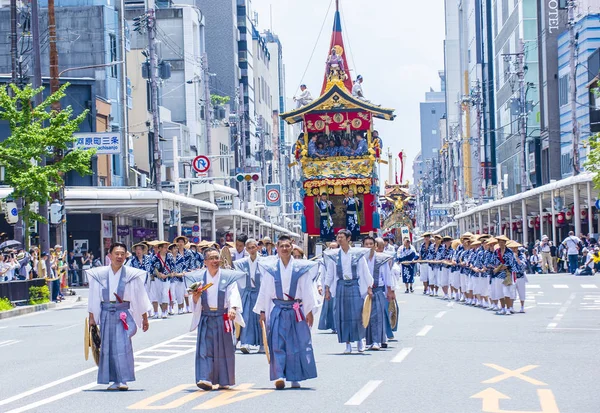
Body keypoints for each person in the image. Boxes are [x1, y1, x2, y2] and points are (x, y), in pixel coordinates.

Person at [254, 235, 319, 390]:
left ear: (292, 247)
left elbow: (307, 290)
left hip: (295, 309)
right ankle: (279, 375)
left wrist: (309, 310)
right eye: (281, 246)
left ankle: (295, 377)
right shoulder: (271, 269)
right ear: (277, 248)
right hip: (277, 309)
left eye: (287, 246)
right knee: (277, 343)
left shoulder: (300, 269)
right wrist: (262, 311)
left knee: (296, 343)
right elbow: (264, 291)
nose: (284, 249)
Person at [86, 242, 151, 391]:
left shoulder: (131, 275)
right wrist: (92, 318)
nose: (119, 256)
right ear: (109, 255)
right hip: (106, 312)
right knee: (107, 346)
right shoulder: (99, 275)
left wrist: (144, 318)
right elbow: (94, 297)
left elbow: (140, 297)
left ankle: (123, 379)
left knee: (123, 346)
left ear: (126, 255)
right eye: (116, 253)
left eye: (122, 254)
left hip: (122, 313)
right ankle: (114, 379)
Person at [186, 247, 244, 391]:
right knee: (205, 349)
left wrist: (232, 308)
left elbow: (233, 294)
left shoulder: (228, 277)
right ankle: (205, 378)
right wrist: (195, 297)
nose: (214, 261)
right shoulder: (198, 278)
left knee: (224, 349)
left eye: (216, 258)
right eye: (211, 258)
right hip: (206, 316)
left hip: (222, 316)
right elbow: (193, 300)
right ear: (205, 261)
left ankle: (224, 380)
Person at [323, 229, 373, 354]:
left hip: (354, 284)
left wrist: (369, 286)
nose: (339, 239)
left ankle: (360, 340)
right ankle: (347, 343)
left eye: (342, 237)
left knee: (357, 313)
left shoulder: (357, 254)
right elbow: (329, 273)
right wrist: (327, 289)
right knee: (343, 315)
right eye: (338, 237)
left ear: (348, 239)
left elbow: (365, 270)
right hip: (341, 285)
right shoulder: (334, 255)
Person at [362, 237, 395, 351]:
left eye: (371, 244)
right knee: (366, 316)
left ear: (375, 246)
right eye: (366, 244)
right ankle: (368, 340)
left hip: (378, 289)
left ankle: (377, 340)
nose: (369, 246)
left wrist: (389, 291)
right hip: (365, 291)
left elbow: (387, 275)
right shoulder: (361, 259)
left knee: (377, 316)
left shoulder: (381, 259)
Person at [233, 238, 263, 354]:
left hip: (260, 293)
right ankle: (246, 343)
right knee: (246, 317)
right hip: (248, 293)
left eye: (253, 247)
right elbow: (237, 274)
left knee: (260, 319)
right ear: (246, 249)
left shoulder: (264, 262)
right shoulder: (242, 263)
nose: (251, 250)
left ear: (257, 247)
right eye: (249, 248)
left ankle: (262, 344)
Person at [491, 235, 517, 315]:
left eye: (502, 242)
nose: (501, 244)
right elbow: (493, 261)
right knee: (500, 293)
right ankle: (502, 308)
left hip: (507, 274)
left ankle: (508, 308)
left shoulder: (509, 252)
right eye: (500, 242)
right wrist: (495, 267)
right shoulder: (496, 251)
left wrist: (501, 267)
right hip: (498, 275)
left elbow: (511, 263)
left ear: (505, 243)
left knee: (507, 292)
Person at [149, 241, 176, 319]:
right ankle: (162, 310)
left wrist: (170, 274)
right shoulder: (155, 257)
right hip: (157, 278)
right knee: (158, 295)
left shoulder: (169, 256)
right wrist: (159, 274)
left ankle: (164, 311)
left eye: (166, 247)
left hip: (167, 278)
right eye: (164, 247)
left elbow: (173, 267)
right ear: (159, 248)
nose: (166, 249)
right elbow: (152, 268)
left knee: (165, 293)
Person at [318, 242, 338, 333]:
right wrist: (320, 285)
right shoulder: (323, 260)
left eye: (334, 248)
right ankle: (331, 325)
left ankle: (337, 326)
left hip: (339, 284)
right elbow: (321, 273)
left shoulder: (339, 258)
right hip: (328, 285)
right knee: (330, 307)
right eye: (330, 248)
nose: (332, 250)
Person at [508, 241, 528, 313]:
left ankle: (522, 306)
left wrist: (516, 258)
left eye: (515, 248)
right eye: (512, 248)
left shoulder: (522, 255)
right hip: (512, 276)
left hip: (520, 275)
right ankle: (511, 307)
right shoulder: (508, 255)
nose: (513, 249)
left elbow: (523, 266)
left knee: (522, 292)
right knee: (511, 292)